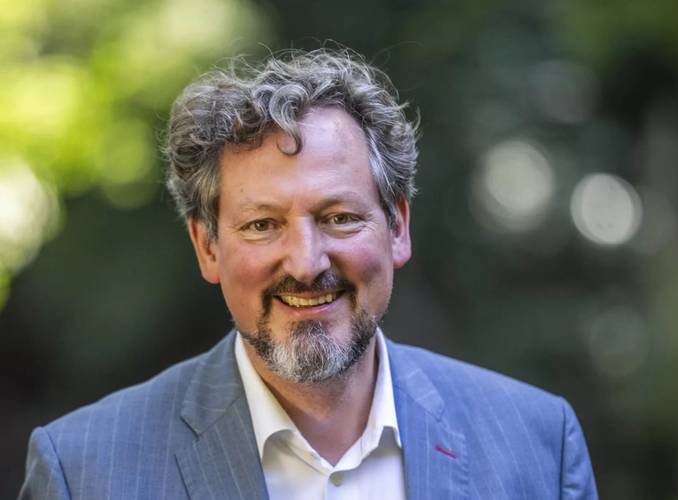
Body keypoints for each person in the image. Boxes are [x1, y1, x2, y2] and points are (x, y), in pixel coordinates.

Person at [19, 49, 598, 499]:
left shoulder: (537, 446)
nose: (305, 262)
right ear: (207, 247)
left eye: (339, 217)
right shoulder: (84, 472)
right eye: (262, 225)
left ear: (398, 227)